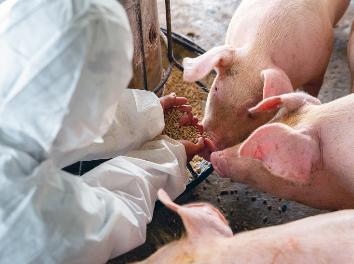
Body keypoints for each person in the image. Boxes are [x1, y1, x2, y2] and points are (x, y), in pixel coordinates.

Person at [0, 0, 207, 263]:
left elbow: (41, 107)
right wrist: (166, 159)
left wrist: (141, 114)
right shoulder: (24, 216)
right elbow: (104, 224)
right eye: (105, 99)